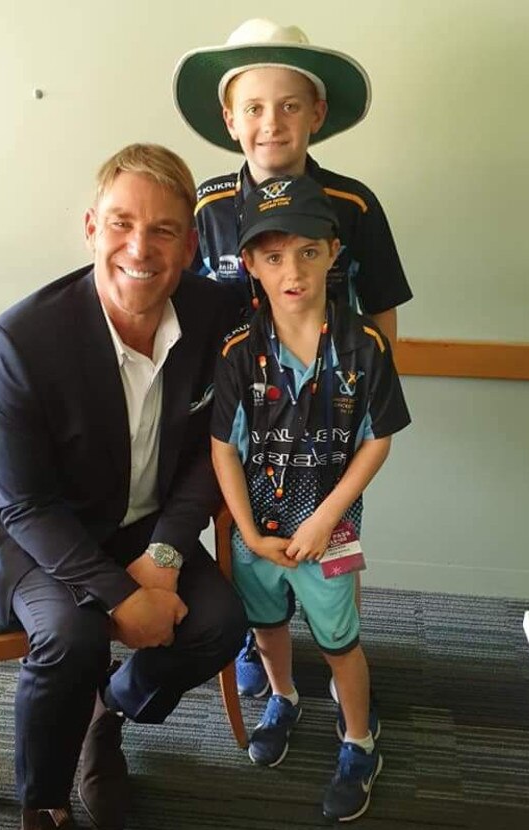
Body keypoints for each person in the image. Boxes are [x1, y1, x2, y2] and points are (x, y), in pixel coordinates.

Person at [0, 143, 247, 830]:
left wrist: (162, 556)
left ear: (190, 246)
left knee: (219, 624)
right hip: (40, 526)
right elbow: (24, 502)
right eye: (122, 224)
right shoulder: (23, 338)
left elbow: (211, 449)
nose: (141, 248)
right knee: (74, 633)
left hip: (141, 519)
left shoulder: (214, 315)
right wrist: (124, 596)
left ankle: (109, 716)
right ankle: (47, 817)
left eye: (164, 231)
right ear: (92, 228)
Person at [173, 18, 412, 699]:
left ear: (317, 114)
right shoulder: (210, 206)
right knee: (249, 541)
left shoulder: (352, 205)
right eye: (253, 107)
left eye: (288, 105)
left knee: (330, 533)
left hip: (326, 418)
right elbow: (185, 311)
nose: (270, 123)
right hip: (236, 411)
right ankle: (259, 636)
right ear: (230, 120)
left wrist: (367, 400)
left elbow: (382, 305)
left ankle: (343, 653)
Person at [211, 174, 411, 821]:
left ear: (332, 252)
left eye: (306, 251)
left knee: (338, 640)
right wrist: (248, 531)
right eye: (272, 256)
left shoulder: (365, 346)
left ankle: (359, 739)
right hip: (260, 533)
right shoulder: (240, 352)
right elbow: (224, 450)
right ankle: (285, 699)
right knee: (268, 630)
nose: (290, 269)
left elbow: (377, 442)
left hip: (330, 530)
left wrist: (326, 518)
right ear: (250, 266)